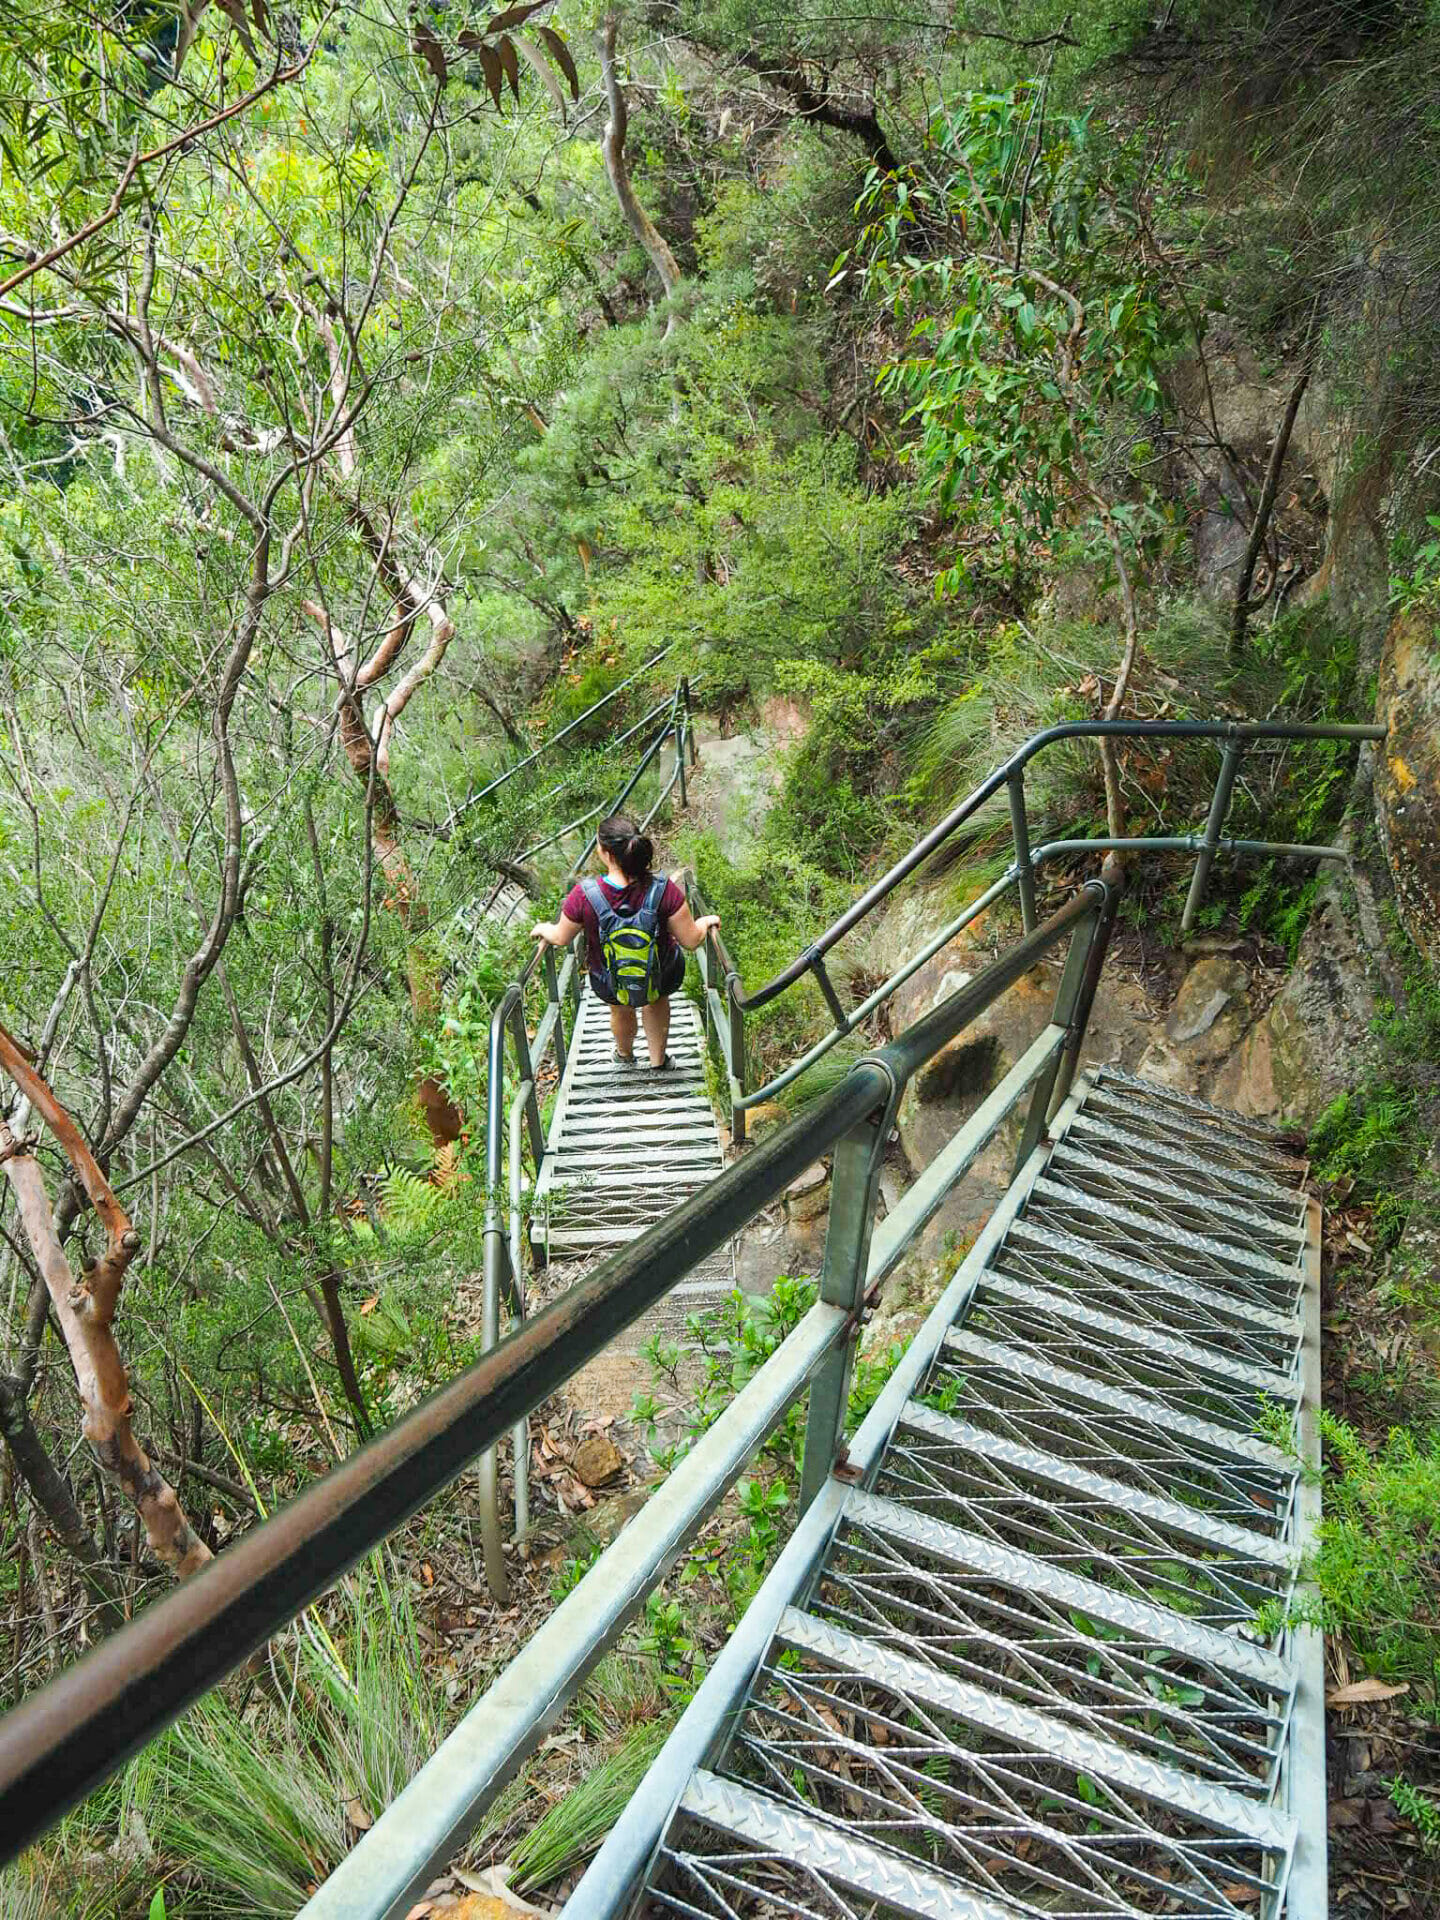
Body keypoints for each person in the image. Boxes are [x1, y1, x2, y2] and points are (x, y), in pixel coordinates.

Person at [530, 815, 721, 1069]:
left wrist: (544, 928)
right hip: (662, 973)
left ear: (607, 854)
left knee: (620, 1006)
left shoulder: (584, 895)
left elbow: (561, 937)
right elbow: (691, 940)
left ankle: (625, 1055)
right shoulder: (664, 889)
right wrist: (705, 922)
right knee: (656, 998)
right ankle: (658, 1062)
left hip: (608, 978)